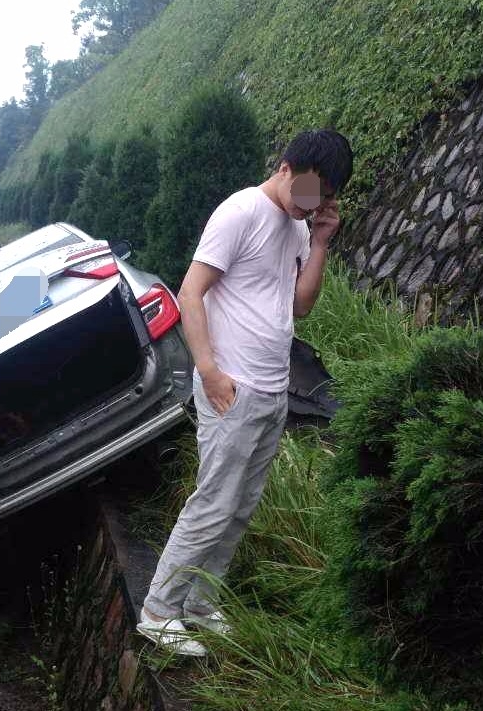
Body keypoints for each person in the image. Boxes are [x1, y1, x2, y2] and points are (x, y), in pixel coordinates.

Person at [137, 129, 354, 655]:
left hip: (273, 389)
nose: (316, 204)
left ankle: (199, 604)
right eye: (313, 190)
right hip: (231, 386)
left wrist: (321, 242)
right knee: (212, 503)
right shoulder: (240, 212)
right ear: (287, 167)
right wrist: (209, 371)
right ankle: (158, 611)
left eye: (326, 197)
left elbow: (299, 305)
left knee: (240, 506)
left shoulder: (300, 226)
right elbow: (191, 292)